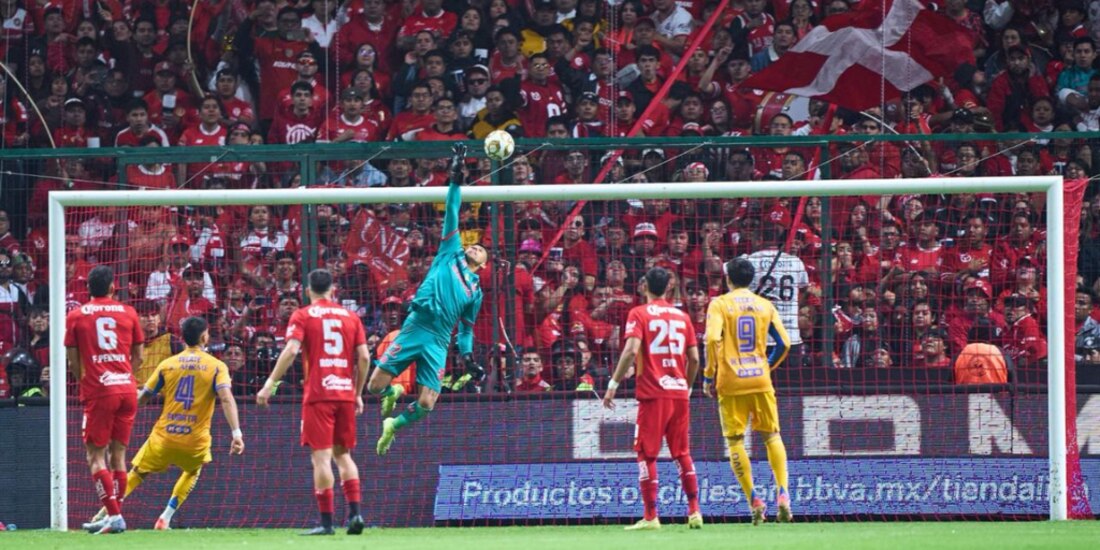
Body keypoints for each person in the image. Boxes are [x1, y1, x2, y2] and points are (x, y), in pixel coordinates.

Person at [369, 143, 488, 456]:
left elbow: (466, 329)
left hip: (439, 339)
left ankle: (393, 425)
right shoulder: (450, 252)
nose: (476, 248)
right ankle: (392, 392)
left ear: (484, 264)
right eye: (474, 246)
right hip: (418, 324)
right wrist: (456, 176)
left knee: (427, 401)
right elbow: (452, 209)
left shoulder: (475, 292)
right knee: (374, 386)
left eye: (481, 250)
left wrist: (468, 358)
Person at [85, 317, 244, 531]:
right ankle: (165, 518)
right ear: (205, 337)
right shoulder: (217, 366)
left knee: (138, 473)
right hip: (195, 438)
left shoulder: (167, 364)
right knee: (193, 471)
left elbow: (143, 398)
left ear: (182, 337)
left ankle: (105, 513)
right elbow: (226, 398)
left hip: (164, 436)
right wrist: (236, 433)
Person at [257, 269, 371, 535]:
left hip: (319, 394)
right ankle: (355, 514)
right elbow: (364, 357)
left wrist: (269, 383)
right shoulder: (351, 316)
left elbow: (291, 350)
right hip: (344, 393)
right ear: (333, 290)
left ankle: (327, 523)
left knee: (321, 457)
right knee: (343, 455)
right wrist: (357, 393)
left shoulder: (303, 315)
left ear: (308, 291)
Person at [602, 267, 702, 531]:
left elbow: (630, 351)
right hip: (679, 393)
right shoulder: (683, 317)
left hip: (653, 394)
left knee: (646, 454)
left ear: (644, 286)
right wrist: (687, 387)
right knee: (682, 453)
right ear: (669, 287)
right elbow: (694, 359)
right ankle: (694, 511)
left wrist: (613, 384)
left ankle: (650, 516)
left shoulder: (639, 313)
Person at [703, 258, 792, 525]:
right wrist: (766, 366)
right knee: (771, 436)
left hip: (730, 382)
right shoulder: (765, 305)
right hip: (760, 379)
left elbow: (712, 338)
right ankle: (783, 494)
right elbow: (785, 343)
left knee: (735, 441)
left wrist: (708, 375)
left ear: (728, 279)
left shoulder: (719, 304)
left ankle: (754, 500)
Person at [65, 266, 145, 534]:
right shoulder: (129, 312)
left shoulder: (76, 315)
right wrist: (123, 376)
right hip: (127, 390)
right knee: (118, 455)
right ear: (113, 287)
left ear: (88, 288)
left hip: (100, 391)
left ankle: (114, 515)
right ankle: (114, 515)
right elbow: (140, 356)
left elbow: (73, 361)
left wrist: (88, 381)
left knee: (95, 456)